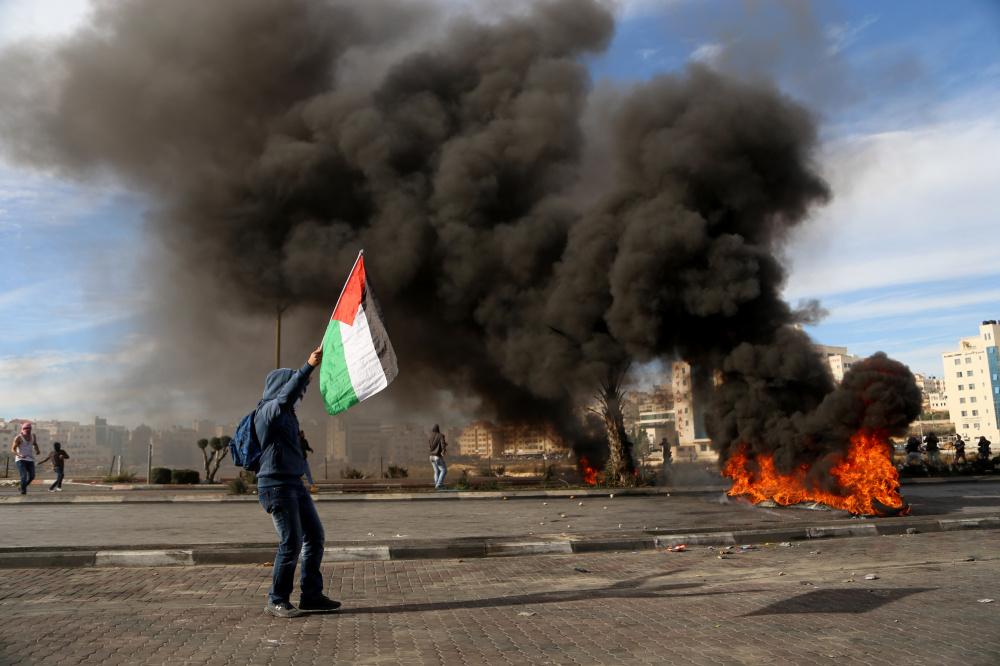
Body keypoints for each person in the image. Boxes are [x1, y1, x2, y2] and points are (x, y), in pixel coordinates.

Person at [255, 345, 340, 619]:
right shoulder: (268, 411)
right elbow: (286, 397)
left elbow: (291, 396)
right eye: (294, 387)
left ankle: (311, 595)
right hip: (275, 486)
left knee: (314, 536)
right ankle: (277, 599)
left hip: (293, 484)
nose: (300, 395)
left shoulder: (288, 415)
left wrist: (306, 378)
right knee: (291, 543)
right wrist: (308, 366)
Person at [10, 422, 40, 495]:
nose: (27, 430)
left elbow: (35, 444)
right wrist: (19, 455)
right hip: (20, 460)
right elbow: (13, 449)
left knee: (32, 476)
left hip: (30, 459)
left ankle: (22, 487)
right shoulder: (19, 438)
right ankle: (23, 491)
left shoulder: (33, 436)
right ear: (22, 429)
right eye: (26, 428)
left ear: (31, 429)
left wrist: (37, 450)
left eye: (29, 428)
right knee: (24, 476)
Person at [429, 424, 447, 489]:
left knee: (436, 471)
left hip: (431, 456)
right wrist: (444, 450)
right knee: (444, 470)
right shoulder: (441, 435)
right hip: (437, 456)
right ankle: (439, 484)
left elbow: (431, 446)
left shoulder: (430, 436)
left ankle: (436, 485)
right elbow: (442, 444)